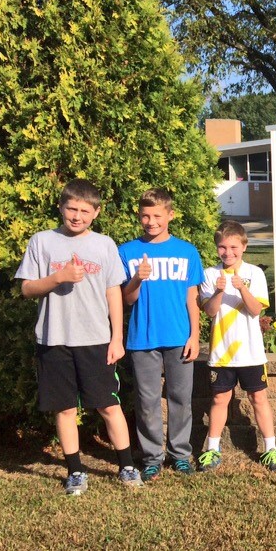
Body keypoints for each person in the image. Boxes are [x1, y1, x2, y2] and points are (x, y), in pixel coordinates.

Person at [15, 179, 143, 494]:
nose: (77, 216)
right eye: (72, 208)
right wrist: (58, 277)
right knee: (65, 409)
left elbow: (114, 291)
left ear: (95, 213)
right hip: (53, 339)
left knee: (108, 405)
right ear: (61, 207)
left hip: (96, 340)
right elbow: (26, 288)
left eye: (85, 211)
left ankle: (126, 466)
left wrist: (117, 337)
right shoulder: (42, 242)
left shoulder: (104, 245)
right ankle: (75, 472)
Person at [119, 188, 204, 482]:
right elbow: (127, 299)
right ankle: (152, 457)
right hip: (143, 339)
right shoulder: (127, 251)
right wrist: (137, 279)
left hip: (179, 337)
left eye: (156, 215)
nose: (150, 221)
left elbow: (192, 298)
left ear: (170, 215)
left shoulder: (187, 251)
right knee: (147, 401)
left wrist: (194, 336)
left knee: (181, 398)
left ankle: (180, 454)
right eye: (145, 215)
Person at [197, 220, 276, 473]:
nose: (228, 253)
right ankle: (212, 449)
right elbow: (210, 312)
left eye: (234, 247)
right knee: (219, 398)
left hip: (250, 352)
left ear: (244, 246)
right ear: (217, 248)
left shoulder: (254, 273)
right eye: (223, 247)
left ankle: (271, 449)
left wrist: (242, 289)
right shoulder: (209, 274)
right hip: (221, 352)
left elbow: (256, 309)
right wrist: (217, 292)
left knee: (258, 397)